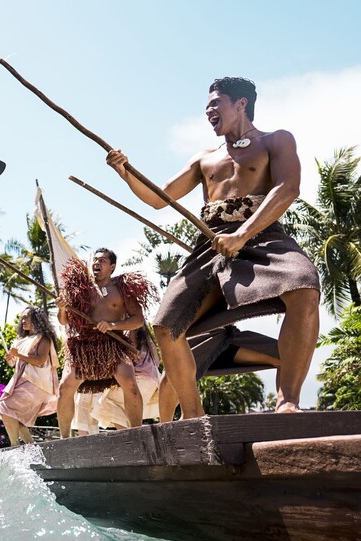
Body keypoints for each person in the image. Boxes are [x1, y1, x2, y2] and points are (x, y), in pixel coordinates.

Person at [106, 77, 320, 418]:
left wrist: (244, 233)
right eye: (206, 105)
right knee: (165, 326)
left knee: (304, 285)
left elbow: (287, 188)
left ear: (240, 104)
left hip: (263, 236)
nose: (208, 111)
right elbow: (159, 198)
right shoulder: (205, 158)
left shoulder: (275, 140)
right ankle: (193, 415)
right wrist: (125, 172)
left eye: (215, 103)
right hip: (212, 244)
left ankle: (287, 400)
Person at [55, 248, 157, 437]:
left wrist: (112, 325)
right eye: (95, 260)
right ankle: (64, 439)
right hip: (84, 347)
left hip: (113, 344)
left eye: (102, 260)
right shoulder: (81, 289)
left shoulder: (122, 289)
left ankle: (136, 433)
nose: (97, 263)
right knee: (65, 387)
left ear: (112, 267)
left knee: (131, 385)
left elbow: (138, 319)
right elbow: (64, 320)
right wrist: (62, 309)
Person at [0, 306, 60, 447]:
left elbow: (39, 360)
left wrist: (17, 354)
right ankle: (31, 446)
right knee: (13, 416)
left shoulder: (44, 338)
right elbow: (14, 364)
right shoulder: (21, 339)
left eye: (26, 317)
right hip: (22, 380)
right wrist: (10, 359)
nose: (23, 320)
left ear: (36, 319)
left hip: (35, 382)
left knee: (5, 407)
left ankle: (14, 446)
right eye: (22, 318)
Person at [90, 325, 160, 429]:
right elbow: (157, 361)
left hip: (139, 378)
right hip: (152, 380)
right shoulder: (145, 334)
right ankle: (131, 436)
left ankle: (130, 438)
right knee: (123, 412)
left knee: (106, 403)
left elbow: (130, 354)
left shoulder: (128, 328)